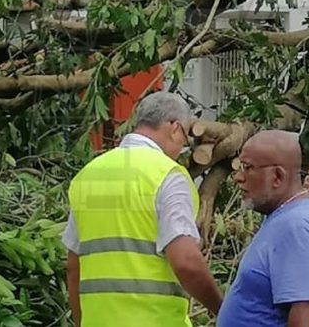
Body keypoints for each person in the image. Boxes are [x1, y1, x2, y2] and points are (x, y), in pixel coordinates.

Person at [63, 91, 223, 327]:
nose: (183, 146)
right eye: (185, 137)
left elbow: (73, 267)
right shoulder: (167, 175)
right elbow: (185, 261)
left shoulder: (88, 175)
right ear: (175, 128)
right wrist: (223, 309)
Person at [219, 131, 309, 327]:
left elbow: (303, 319)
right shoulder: (282, 217)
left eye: (247, 168)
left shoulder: (298, 227)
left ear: (278, 176)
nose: (238, 177)